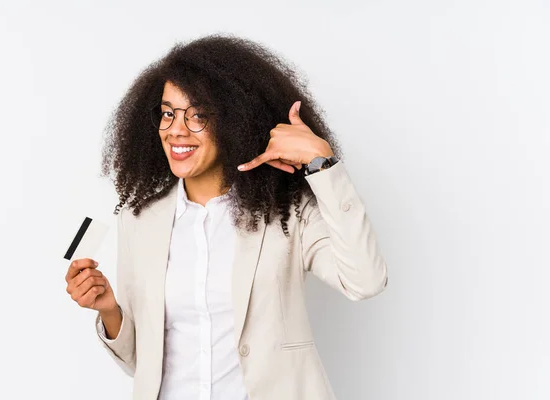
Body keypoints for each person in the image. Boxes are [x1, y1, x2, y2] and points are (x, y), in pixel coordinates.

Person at [64, 34, 388, 400]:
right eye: (168, 112)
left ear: (236, 122)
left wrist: (323, 165)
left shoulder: (286, 212)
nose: (176, 129)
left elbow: (365, 281)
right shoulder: (141, 220)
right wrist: (108, 308)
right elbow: (143, 364)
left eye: (198, 115)